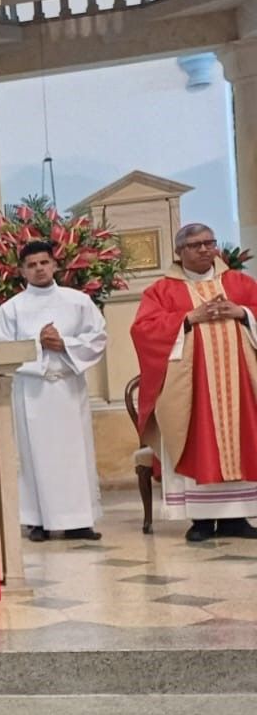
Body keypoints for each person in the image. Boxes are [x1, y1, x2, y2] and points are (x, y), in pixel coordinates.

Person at [131, 222, 257, 541]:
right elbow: (143, 330)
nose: (204, 249)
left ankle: (237, 518)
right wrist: (187, 318)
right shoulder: (161, 290)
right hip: (191, 389)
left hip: (240, 385)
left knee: (242, 438)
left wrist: (242, 312)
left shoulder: (239, 283)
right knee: (193, 437)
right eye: (195, 245)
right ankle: (200, 520)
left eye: (209, 243)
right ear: (179, 252)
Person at [0, 239, 108, 542]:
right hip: (33, 390)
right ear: (22, 271)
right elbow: (3, 349)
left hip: (68, 388)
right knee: (34, 457)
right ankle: (37, 521)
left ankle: (79, 520)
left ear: (55, 265)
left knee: (74, 453)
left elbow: (97, 337)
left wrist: (65, 345)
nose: (39, 269)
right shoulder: (11, 308)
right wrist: (38, 344)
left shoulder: (78, 301)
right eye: (31, 265)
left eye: (44, 262)